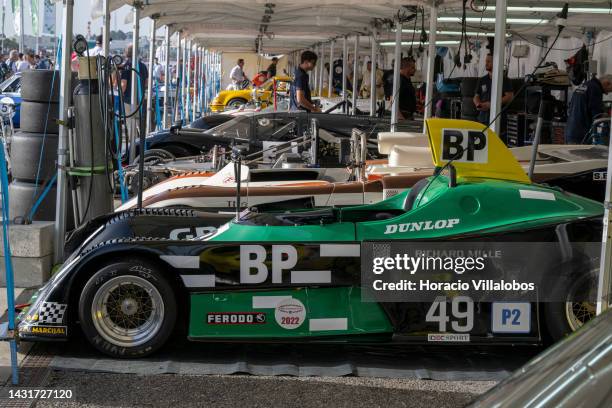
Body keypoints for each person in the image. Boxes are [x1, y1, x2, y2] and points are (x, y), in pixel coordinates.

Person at [565, 74, 612, 144]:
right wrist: (606, 116)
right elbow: (597, 115)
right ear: (607, 83)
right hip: (581, 135)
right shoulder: (595, 89)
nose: (607, 93)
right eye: (609, 90)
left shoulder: (584, 85)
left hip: (570, 131)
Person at [473, 53, 514, 125]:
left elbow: (509, 96)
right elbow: (476, 96)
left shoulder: (504, 79)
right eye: (486, 61)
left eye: (489, 61)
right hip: (483, 117)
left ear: (495, 63)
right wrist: (478, 104)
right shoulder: (482, 80)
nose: (486, 63)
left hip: (498, 117)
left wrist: (492, 105)